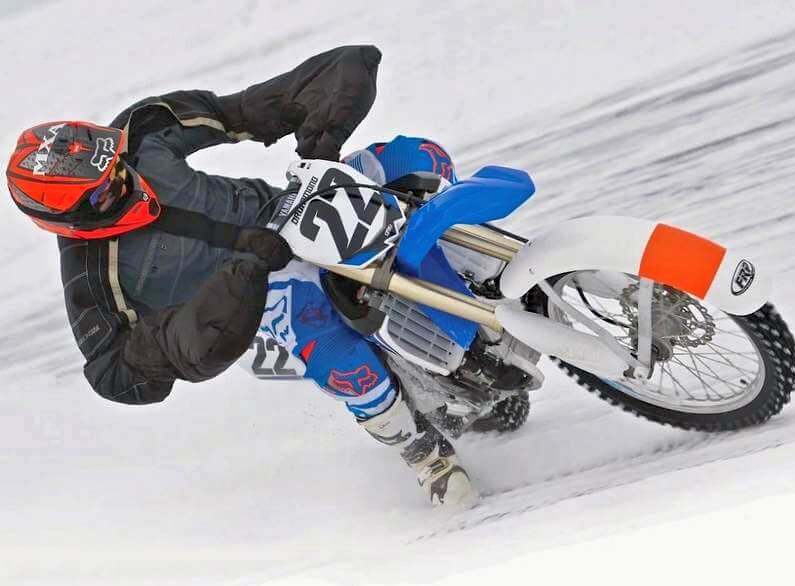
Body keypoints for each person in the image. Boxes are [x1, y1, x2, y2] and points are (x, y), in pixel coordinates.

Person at [6, 47, 476, 507]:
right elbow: (114, 371)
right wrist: (216, 304)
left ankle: (481, 266)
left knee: (415, 159)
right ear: (64, 219)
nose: (119, 183)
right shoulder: (91, 278)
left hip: (292, 209)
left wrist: (319, 122)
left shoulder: (143, 131)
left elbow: (244, 109)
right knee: (326, 339)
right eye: (101, 192)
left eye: (113, 166)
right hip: (256, 286)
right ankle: (423, 454)